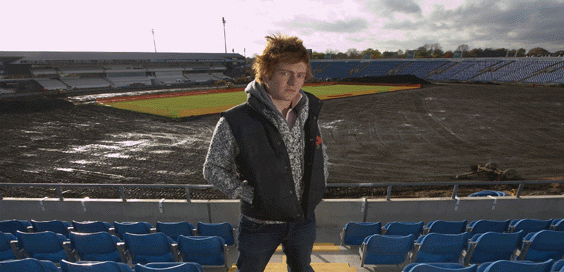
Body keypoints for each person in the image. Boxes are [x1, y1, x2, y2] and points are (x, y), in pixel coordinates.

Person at [203, 33, 328, 272]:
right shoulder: (236, 119)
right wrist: (250, 194)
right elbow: (212, 168)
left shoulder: (309, 112)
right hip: (259, 224)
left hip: (303, 219)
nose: (293, 82)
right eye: (285, 73)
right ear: (266, 72)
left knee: (302, 268)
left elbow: (322, 155)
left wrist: (316, 188)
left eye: (300, 75)